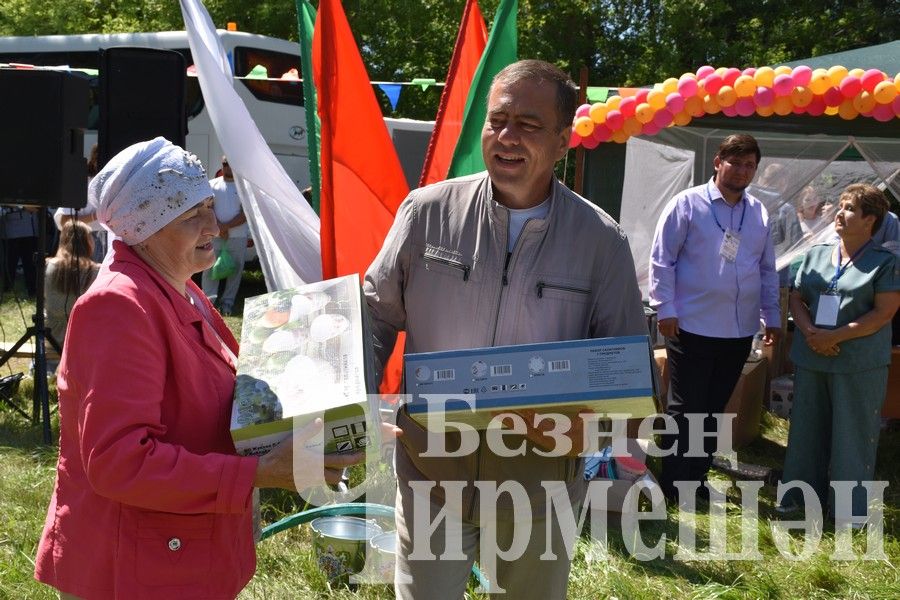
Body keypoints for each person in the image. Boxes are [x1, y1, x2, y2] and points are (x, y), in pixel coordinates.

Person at [34, 137, 369, 599]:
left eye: (210, 205)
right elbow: (119, 462)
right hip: (132, 570)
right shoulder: (118, 305)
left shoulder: (179, 286)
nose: (213, 223)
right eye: (193, 214)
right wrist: (260, 472)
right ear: (145, 227)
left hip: (173, 556)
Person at [364, 60, 646, 599]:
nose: (507, 137)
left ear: (563, 141)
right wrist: (357, 395)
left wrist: (587, 433)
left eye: (529, 125)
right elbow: (375, 312)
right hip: (431, 472)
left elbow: (625, 373)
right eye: (497, 120)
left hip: (539, 487)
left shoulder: (600, 242)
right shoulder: (426, 213)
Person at [648, 133, 781, 506]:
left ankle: (698, 479)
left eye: (749, 165)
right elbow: (662, 260)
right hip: (690, 324)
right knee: (688, 405)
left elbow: (768, 270)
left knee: (714, 407)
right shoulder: (687, 205)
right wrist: (666, 308)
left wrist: (771, 316)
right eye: (735, 162)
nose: (742, 171)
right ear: (718, 162)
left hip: (739, 328)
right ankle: (674, 484)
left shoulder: (759, 212)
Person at [778, 183, 900, 524]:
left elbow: (883, 313)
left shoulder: (885, 263)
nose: (839, 213)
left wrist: (836, 336)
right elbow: (796, 299)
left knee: (853, 435)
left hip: (858, 363)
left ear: (870, 220)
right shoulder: (816, 254)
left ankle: (848, 513)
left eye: (849, 208)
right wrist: (811, 333)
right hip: (813, 354)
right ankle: (796, 503)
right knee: (805, 431)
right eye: (841, 206)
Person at [201, 156, 248, 316]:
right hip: (214, 235)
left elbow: (246, 213)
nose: (228, 167)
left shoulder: (243, 187)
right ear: (222, 165)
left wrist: (226, 227)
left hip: (238, 236)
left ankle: (227, 304)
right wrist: (219, 228)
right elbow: (207, 209)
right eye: (225, 163)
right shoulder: (212, 184)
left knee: (235, 270)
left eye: (230, 164)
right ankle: (208, 303)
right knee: (209, 268)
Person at [43, 220, 99, 349]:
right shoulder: (96, 271)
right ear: (88, 242)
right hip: (82, 340)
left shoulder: (48, 265)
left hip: (51, 337)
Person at [54, 144, 109, 263]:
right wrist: (95, 216)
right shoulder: (80, 182)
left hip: (114, 240)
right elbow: (65, 221)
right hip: (85, 240)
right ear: (94, 159)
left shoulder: (117, 182)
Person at [1, 205, 42, 297]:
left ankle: (33, 291)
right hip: (12, 229)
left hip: (31, 230)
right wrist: (23, 206)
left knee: (30, 263)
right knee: (10, 263)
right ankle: (6, 291)